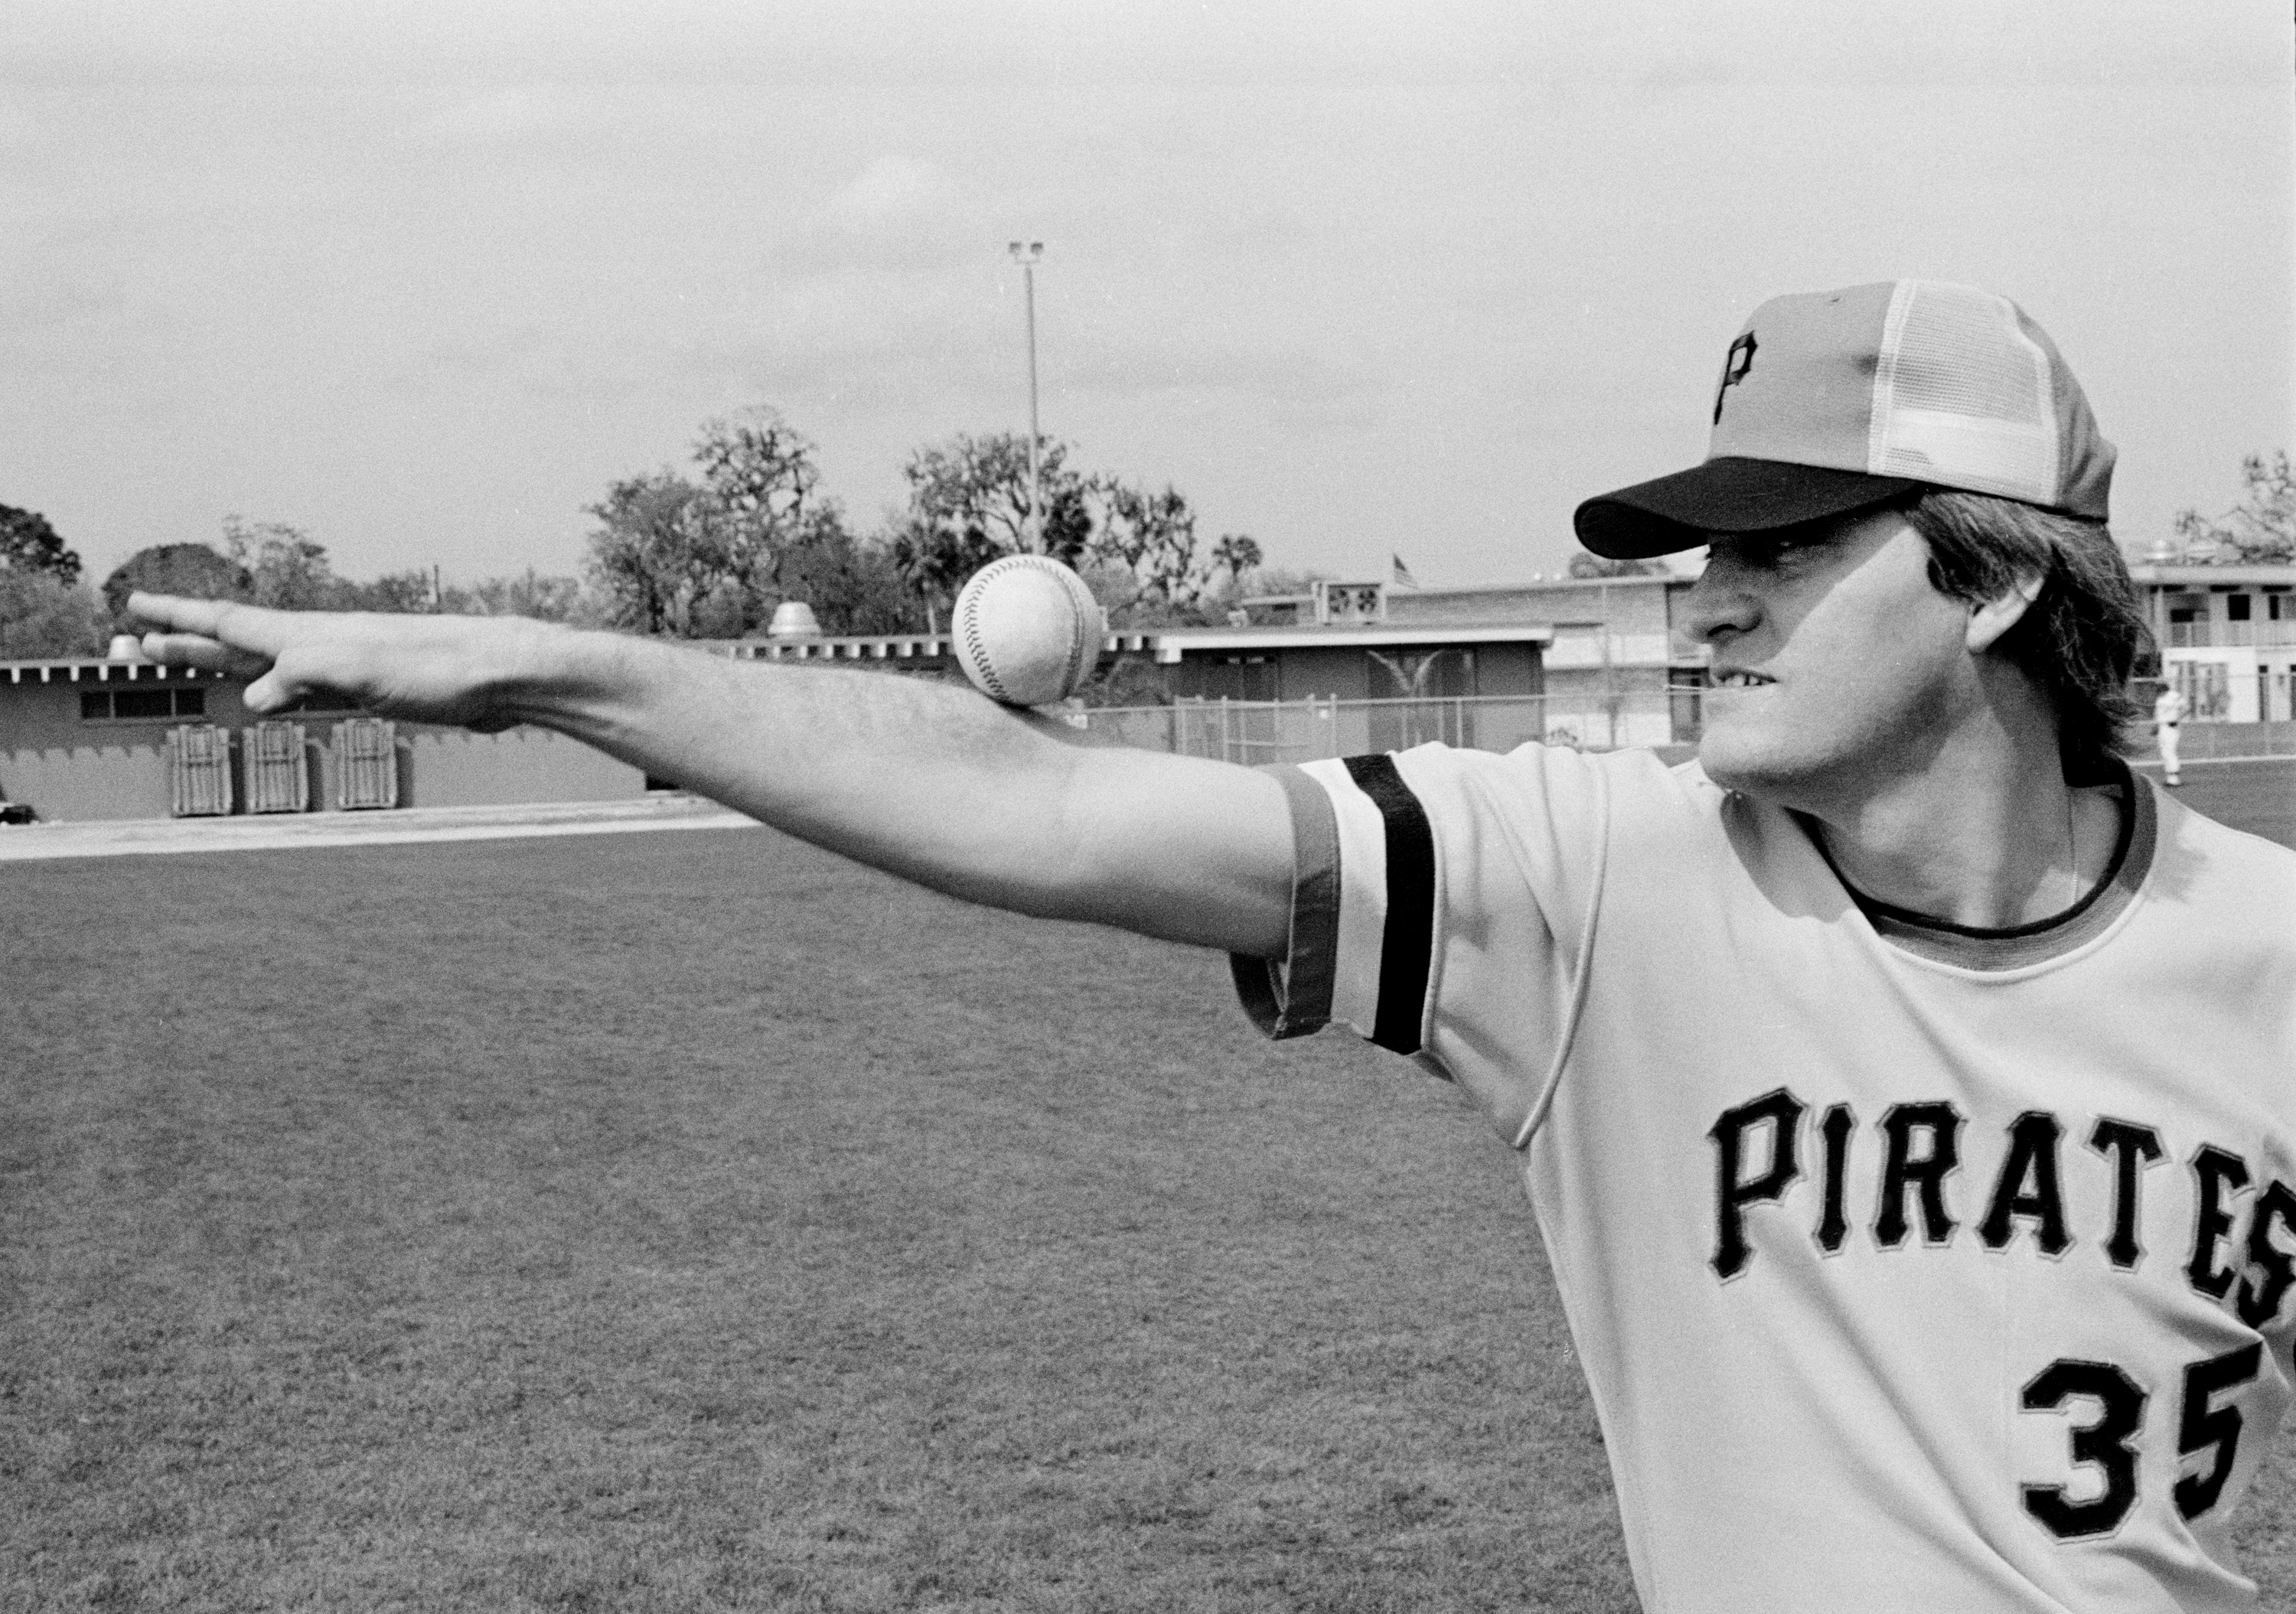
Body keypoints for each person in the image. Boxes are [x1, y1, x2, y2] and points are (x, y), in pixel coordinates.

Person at [131, 280, 2296, 1612]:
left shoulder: (2269, 961)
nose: (1705, 596)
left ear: (2001, 582)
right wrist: (542, 667)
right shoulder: (1603, 885)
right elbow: (1041, 797)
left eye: (1790, 545)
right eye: (1700, 550)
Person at [2157, 679, 2190, 785]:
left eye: (2159, 686)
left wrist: (2177, 719)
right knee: (2165, 753)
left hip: (2171, 727)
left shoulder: (2174, 696)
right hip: (2162, 727)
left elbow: (2187, 708)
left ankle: (2175, 779)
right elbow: (2159, 714)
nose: (2157, 688)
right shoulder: (2160, 698)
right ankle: (2169, 778)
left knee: (2171, 752)